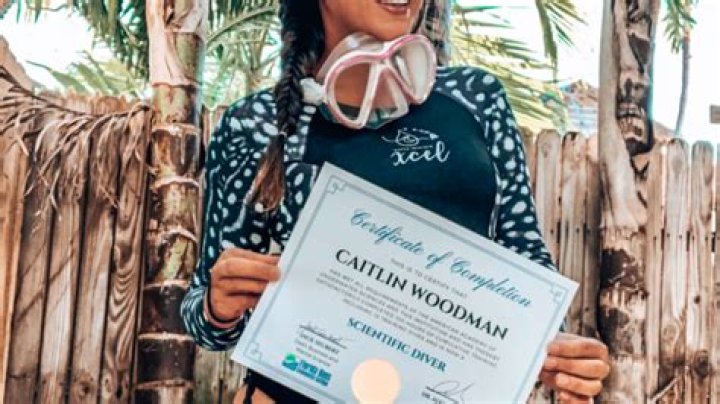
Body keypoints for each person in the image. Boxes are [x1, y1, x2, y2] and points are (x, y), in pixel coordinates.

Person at [180, 0, 611, 402]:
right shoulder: (255, 124)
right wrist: (218, 307)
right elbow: (206, 324)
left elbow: (524, 253)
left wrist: (556, 346)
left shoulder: (476, 98)